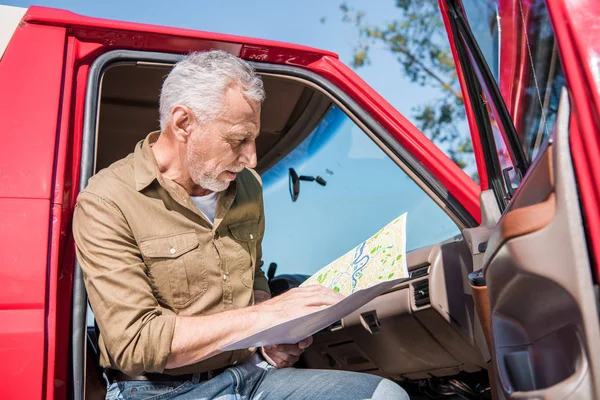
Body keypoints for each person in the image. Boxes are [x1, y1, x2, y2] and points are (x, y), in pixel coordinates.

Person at [73, 50, 409, 400]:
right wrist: (267, 315)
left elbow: (253, 276)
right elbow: (135, 343)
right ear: (183, 123)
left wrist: (275, 335)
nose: (251, 158)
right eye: (237, 140)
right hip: (158, 390)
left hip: (249, 374)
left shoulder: (247, 185)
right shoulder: (106, 201)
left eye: (253, 139)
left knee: (386, 396)